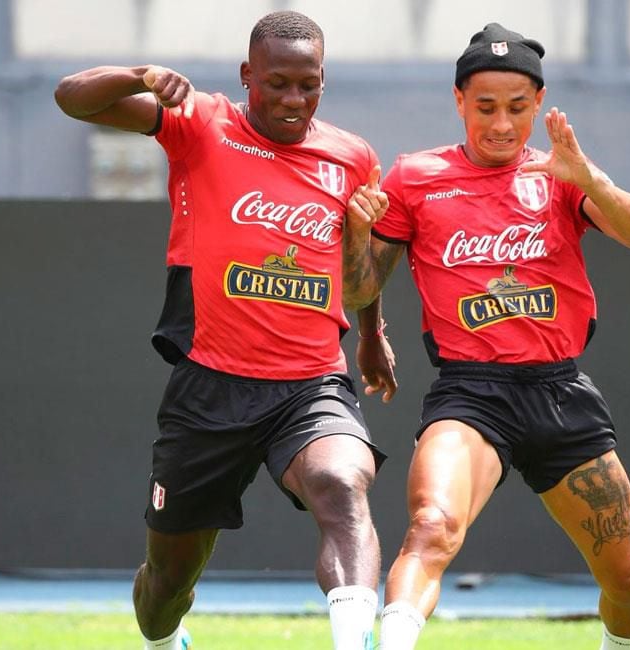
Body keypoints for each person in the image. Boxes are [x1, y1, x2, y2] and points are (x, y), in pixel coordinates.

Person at [54, 11, 394, 650]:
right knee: (166, 585)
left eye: (309, 84)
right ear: (247, 76)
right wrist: (138, 75)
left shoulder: (353, 158)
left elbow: (361, 274)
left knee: (342, 484)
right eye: (278, 83)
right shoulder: (201, 123)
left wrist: (373, 333)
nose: (294, 100)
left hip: (310, 381)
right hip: (209, 386)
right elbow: (71, 99)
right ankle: (165, 639)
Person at [345, 23, 630, 650]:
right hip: (470, 394)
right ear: (459, 101)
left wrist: (589, 179)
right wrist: (357, 235)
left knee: (629, 582)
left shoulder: (561, 171)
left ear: (538, 104)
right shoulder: (416, 176)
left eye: (517, 107)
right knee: (431, 528)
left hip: (561, 393)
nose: (500, 123)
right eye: (485, 106)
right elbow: (358, 290)